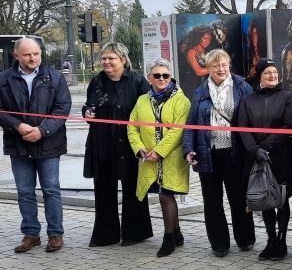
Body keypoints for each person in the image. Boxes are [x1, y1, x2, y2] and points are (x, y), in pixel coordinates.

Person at [0, 38, 72, 253]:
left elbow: (62, 109)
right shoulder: (4, 79)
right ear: (16, 56)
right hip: (18, 143)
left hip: (49, 144)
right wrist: (18, 127)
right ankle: (31, 234)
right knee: (24, 191)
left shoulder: (54, 77)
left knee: (51, 189)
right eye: (27, 54)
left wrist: (41, 131)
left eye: (36, 53)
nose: (33, 58)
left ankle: (55, 234)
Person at [183, 49, 255, 256]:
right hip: (208, 152)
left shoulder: (242, 87)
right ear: (208, 68)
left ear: (229, 65)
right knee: (212, 201)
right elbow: (191, 123)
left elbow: (252, 117)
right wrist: (188, 149)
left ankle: (245, 238)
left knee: (238, 198)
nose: (220, 69)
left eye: (224, 65)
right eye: (215, 65)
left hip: (235, 152)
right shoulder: (200, 91)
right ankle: (219, 244)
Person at [83, 42, 154, 247]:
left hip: (129, 145)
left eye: (111, 58)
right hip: (102, 144)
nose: (106, 62)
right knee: (104, 190)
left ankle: (135, 233)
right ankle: (106, 235)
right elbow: (89, 105)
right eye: (104, 58)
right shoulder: (96, 82)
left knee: (132, 189)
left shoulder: (138, 82)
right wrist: (87, 113)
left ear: (123, 60)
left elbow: (148, 113)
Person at [127, 58, 191, 258]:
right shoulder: (142, 100)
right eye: (157, 75)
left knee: (166, 195)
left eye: (165, 75)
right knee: (163, 195)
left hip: (171, 158)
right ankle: (178, 233)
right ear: (150, 78)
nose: (162, 79)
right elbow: (132, 126)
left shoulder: (181, 100)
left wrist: (159, 151)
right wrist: (139, 149)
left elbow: (177, 131)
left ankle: (169, 238)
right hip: (148, 158)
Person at [237, 58, 292, 260]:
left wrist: (264, 147)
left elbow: (289, 125)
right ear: (260, 76)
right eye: (267, 73)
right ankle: (270, 239)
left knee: (281, 199)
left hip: (281, 157)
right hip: (256, 158)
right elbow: (243, 129)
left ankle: (282, 240)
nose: (272, 75)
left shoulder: (288, 97)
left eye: (275, 72)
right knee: (264, 198)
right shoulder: (248, 100)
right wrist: (254, 150)